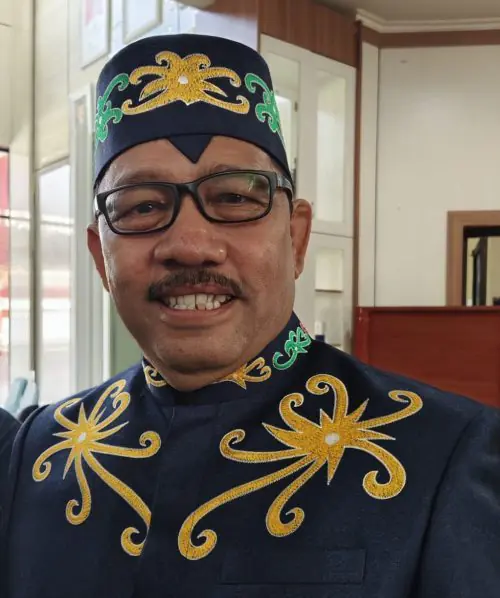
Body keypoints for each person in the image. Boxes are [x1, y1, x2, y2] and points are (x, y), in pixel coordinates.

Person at [2, 33, 499, 598]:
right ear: (100, 257)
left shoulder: (443, 455)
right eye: (142, 206)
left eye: (235, 198)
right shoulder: (38, 454)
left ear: (297, 237)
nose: (190, 245)